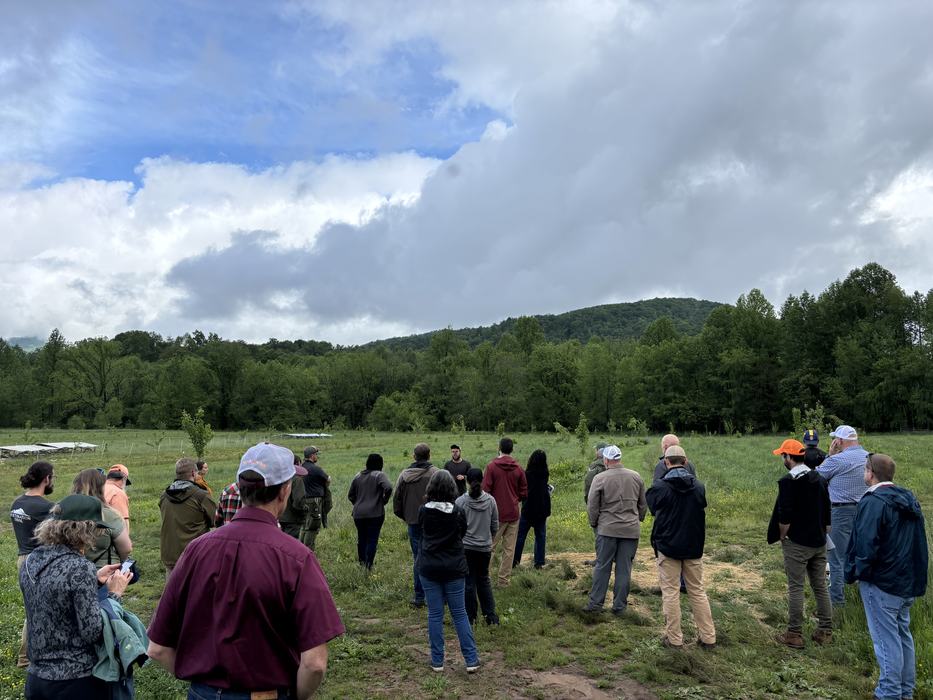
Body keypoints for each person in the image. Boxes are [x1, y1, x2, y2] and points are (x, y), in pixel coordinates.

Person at [147, 442, 345, 699]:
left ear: (240, 489)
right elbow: (315, 663)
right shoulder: (296, 557)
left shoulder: (196, 550)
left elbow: (157, 649)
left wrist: (204, 686)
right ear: (284, 492)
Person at [20, 494, 132, 699]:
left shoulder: (32, 560)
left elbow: (54, 596)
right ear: (84, 529)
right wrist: (114, 594)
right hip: (75, 681)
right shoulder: (80, 568)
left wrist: (95, 582)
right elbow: (93, 631)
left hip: (37, 678)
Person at [846, 453, 928, 700]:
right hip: (905, 581)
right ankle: (904, 692)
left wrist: (856, 572)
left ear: (870, 472)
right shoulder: (907, 499)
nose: (864, 473)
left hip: (881, 582)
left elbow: (865, 544)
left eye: (864, 469)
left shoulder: (874, 502)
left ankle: (889, 693)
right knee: (903, 637)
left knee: (885, 641)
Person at [646, 445, 716, 648]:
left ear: (666, 463)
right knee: (697, 590)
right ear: (685, 462)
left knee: (670, 591)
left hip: (668, 546)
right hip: (693, 546)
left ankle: (674, 639)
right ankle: (708, 637)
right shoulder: (699, 487)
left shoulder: (659, 487)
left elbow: (652, 508)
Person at [766, 439, 832, 649]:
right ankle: (825, 631)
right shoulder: (819, 479)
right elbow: (827, 511)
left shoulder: (788, 482)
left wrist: (783, 535)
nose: (782, 459)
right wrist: (823, 531)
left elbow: (785, 515)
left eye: (782, 456)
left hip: (798, 542)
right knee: (820, 586)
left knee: (796, 587)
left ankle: (794, 634)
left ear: (788, 457)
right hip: (819, 541)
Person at [417, 470, 479, 673]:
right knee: (459, 614)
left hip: (429, 567)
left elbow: (421, 533)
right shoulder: (458, 511)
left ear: (431, 488)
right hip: (454, 567)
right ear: (451, 488)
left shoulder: (424, 511)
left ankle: (437, 661)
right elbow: (462, 533)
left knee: (435, 615)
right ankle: (471, 660)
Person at [584, 445, 646, 614]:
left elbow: (592, 506)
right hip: (630, 530)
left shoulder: (600, 478)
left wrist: (594, 523)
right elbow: (642, 504)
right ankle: (619, 606)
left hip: (607, 530)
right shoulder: (636, 476)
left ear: (605, 460)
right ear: (619, 458)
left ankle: (596, 604)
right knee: (624, 569)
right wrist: (638, 518)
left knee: (602, 567)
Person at [816, 424, 868, 606]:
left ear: (839, 441)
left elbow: (815, 478)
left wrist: (830, 454)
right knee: (860, 553)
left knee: (836, 558)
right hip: (865, 510)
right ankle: (864, 598)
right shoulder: (869, 457)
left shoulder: (837, 460)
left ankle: (837, 602)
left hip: (840, 511)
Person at [11, 461, 55, 669]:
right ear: (46, 478)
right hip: (38, 561)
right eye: (51, 477)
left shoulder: (16, 503)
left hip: (22, 559)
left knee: (32, 607)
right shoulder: (46, 507)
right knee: (36, 609)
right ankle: (25, 657)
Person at [393, 443, 438, 607]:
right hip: (433, 521)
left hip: (413, 521)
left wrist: (406, 516)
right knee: (434, 555)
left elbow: (396, 500)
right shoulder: (436, 473)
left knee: (418, 557)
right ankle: (434, 595)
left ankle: (419, 596)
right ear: (429, 455)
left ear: (414, 456)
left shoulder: (404, 475)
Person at [456, 467, 500, 626]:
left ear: (467, 481)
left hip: (466, 548)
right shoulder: (490, 501)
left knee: (468, 583)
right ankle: (490, 616)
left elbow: (457, 526)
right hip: (484, 548)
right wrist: (490, 540)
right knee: (484, 580)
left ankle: (470, 617)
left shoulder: (461, 502)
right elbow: (495, 525)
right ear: (482, 480)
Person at [482, 437, 528, 587]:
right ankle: (503, 581)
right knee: (509, 549)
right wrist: (515, 498)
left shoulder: (491, 467)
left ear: (499, 448)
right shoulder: (519, 468)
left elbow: (485, 490)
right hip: (514, 513)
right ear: (512, 449)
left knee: (490, 547)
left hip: (496, 513)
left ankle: (486, 579)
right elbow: (524, 492)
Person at [159, 458, 215, 578]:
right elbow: (214, 521)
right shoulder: (202, 495)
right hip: (195, 555)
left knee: (172, 593)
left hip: (170, 555)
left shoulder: (164, 496)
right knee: (196, 593)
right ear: (193, 473)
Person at [71, 469, 133, 566]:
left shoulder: (64, 512)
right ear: (101, 488)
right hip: (104, 570)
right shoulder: (110, 515)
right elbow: (126, 549)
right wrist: (123, 562)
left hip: (72, 570)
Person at [347, 453, 393, 569]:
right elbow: (388, 487)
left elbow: (350, 495)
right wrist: (384, 500)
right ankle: (369, 565)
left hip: (358, 514)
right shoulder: (379, 475)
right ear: (380, 464)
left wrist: (357, 503)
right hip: (375, 513)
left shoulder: (358, 476)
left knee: (361, 538)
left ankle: (362, 562)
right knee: (372, 539)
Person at [513, 449, 551, 570]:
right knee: (540, 536)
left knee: (520, 536)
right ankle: (539, 562)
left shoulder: (526, 474)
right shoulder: (545, 473)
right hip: (541, 509)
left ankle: (514, 561)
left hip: (528, 509)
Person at [299, 446, 332, 551]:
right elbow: (328, 479)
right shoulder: (316, 469)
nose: (317, 456)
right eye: (316, 454)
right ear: (312, 456)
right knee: (313, 527)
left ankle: (300, 548)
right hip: (314, 501)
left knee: (304, 526)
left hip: (302, 500)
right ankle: (308, 551)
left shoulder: (301, 467)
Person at [279, 455, 311, 539]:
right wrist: (305, 510)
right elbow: (298, 501)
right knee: (290, 545)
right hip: (293, 519)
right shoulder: (297, 480)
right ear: (297, 464)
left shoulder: (281, 478)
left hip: (280, 517)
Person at [103, 464, 132, 534]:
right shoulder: (118, 493)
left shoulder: (99, 488)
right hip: (108, 535)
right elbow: (122, 521)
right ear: (123, 479)